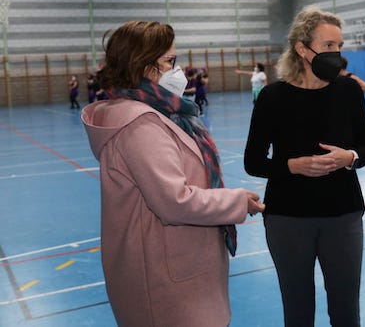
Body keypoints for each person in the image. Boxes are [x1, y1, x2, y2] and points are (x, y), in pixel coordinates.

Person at [81, 21, 265, 327]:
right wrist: (236, 202)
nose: (176, 71)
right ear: (142, 65)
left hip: (184, 267)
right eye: (170, 61)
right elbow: (174, 201)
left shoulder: (161, 115)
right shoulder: (140, 125)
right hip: (166, 281)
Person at [244, 8, 365, 327]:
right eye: (329, 46)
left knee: (346, 311)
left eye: (339, 46)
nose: (337, 54)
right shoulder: (272, 97)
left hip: (343, 215)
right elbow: (253, 161)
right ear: (303, 49)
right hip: (288, 218)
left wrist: (350, 158)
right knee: (298, 309)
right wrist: (291, 165)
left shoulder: (350, 92)